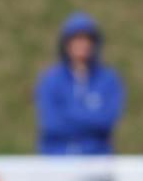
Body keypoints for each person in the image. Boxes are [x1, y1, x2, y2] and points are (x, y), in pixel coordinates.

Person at [34, 12, 124, 154]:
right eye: (76, 39)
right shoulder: (50, 79)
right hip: (57, 158)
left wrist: (68, 113)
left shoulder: (108, 79)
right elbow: (51, 123)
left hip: (95, 158)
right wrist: (89, 117)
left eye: (86, 39)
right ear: (66, 43)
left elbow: (106, 121)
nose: (82, 44)